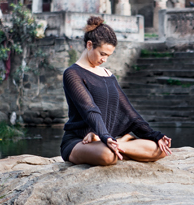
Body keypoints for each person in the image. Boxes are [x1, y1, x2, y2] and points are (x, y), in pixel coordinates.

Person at [60, 16, 172, 166]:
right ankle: (120, 144)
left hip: (106, 139)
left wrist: (154, 135)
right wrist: (105, 136)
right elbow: (90, 110)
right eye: (102, 54)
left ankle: (119, 143)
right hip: (78, 141)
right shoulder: (72, 74)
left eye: (108, 55)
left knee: (161, 150)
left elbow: (129, 113)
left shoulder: (107, 74)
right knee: (108, 156)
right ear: (89, 45)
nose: (104, 59)